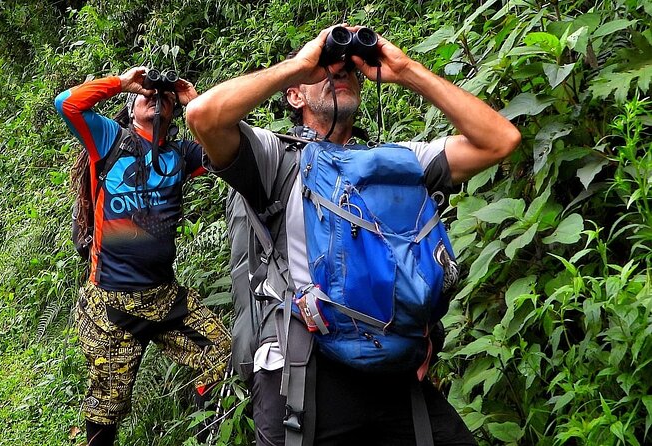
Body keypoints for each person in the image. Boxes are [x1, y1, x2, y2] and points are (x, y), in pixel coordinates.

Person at [186, 25, 521, 446]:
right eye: (326, 70)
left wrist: (405, 69)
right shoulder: (277, 160)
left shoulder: (395, 163)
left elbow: (500, 140)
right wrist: (299, 65)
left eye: (348, 71)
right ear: (294, 95)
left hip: (389, 368)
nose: (337, 73)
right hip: (302, 374)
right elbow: (203, 115)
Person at [55, 66, 231, 446]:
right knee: (107, 407)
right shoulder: (109, 140)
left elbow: (226, 147)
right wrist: (121, 83)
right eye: (148, 93)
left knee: (223, 352)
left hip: (165, 298)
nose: (157, 96)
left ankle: (207, 432)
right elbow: (66, 104)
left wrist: (195, 104)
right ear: (131, 107)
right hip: (111, 305)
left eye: (164, 97)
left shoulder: (181, 154)